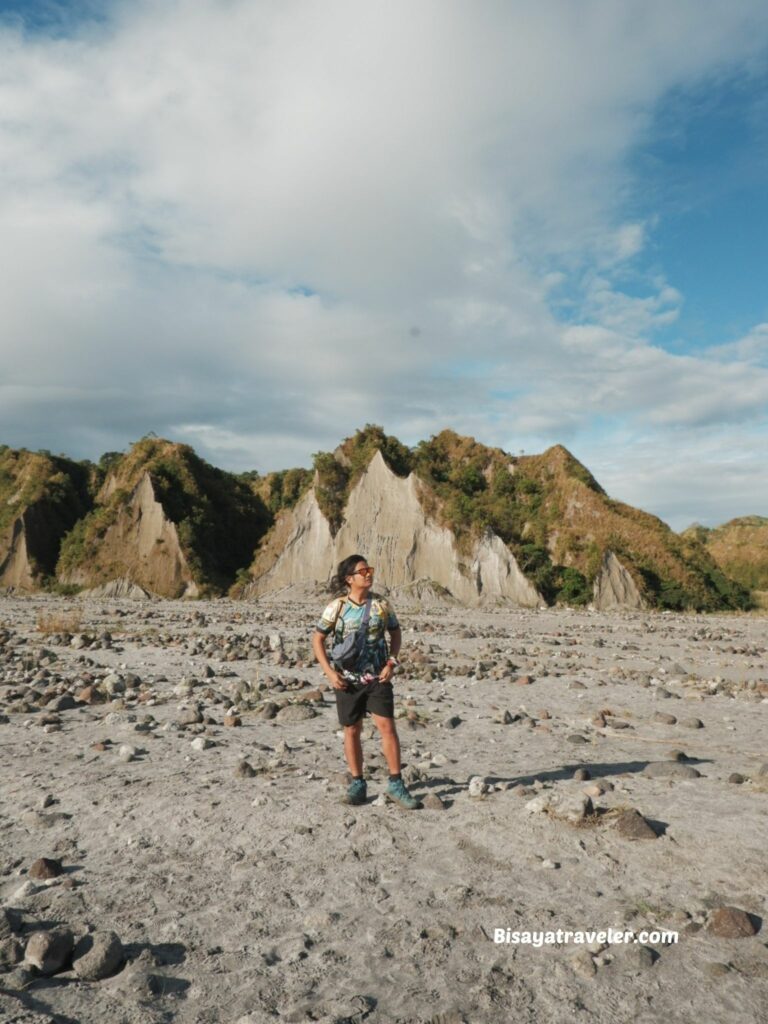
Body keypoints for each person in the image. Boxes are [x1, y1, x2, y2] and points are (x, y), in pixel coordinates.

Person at [312, 554, 420, 809]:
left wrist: (392, 662)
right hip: (346, 680)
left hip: (377, 678)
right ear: (350, 579)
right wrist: (329, 672)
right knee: (351, 730)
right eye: (363, 571)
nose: (369, 574)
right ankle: (358, 783)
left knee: (387, 728)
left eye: (370, 569)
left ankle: (396, 783)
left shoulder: (382, 605)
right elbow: (318, 639)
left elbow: (395, 632)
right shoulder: (335, 607)